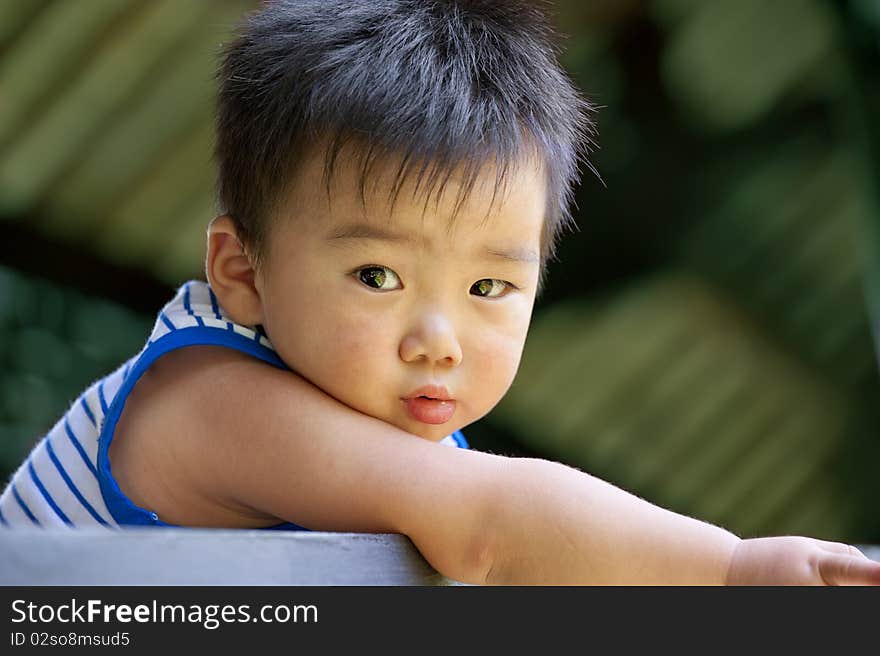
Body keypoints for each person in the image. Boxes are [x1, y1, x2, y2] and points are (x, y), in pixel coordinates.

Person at [2, 0, 878, 586]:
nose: (439, 338)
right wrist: (730, 572)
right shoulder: (208, 397)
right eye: (377, 276)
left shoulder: (405, 449)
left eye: (490, 285)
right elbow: (493, 530)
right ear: (241, 272)